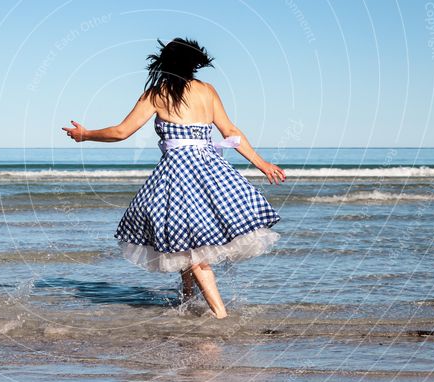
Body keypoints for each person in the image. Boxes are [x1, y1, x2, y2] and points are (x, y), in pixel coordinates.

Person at [62, 38, 285, 318]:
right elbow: (231, 132)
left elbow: (121, 132)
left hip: (178, 176)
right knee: (186, 242)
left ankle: (220, 316)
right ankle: (188, 301)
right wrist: (261, 163)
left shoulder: (158, 93)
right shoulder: (207, 90)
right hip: (212, 172)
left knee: (193, 249)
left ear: (164, 63)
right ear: (195, 63)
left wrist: (86, 135)